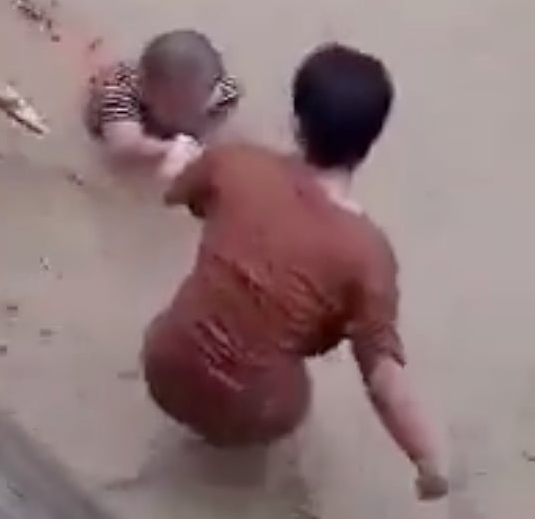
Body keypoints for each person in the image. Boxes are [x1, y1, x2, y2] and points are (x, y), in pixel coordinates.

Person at [142, 43, 449, 501]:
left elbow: (174, 192)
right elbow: (384, 380)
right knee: (283, 403)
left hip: (164, 365)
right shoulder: (368, 254)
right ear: (372, 140)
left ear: (295, 119)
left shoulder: (235, 163)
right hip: (255, 411)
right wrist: (426, 460)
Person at [85, 29, 241, 176]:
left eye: (192, 106)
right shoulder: (120, 94)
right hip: (113, 117)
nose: (184, 115)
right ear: (145, 90)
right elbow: (123, 147)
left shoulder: (223, 93)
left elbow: (218, 127)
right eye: (174, 107)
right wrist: (171, 149)